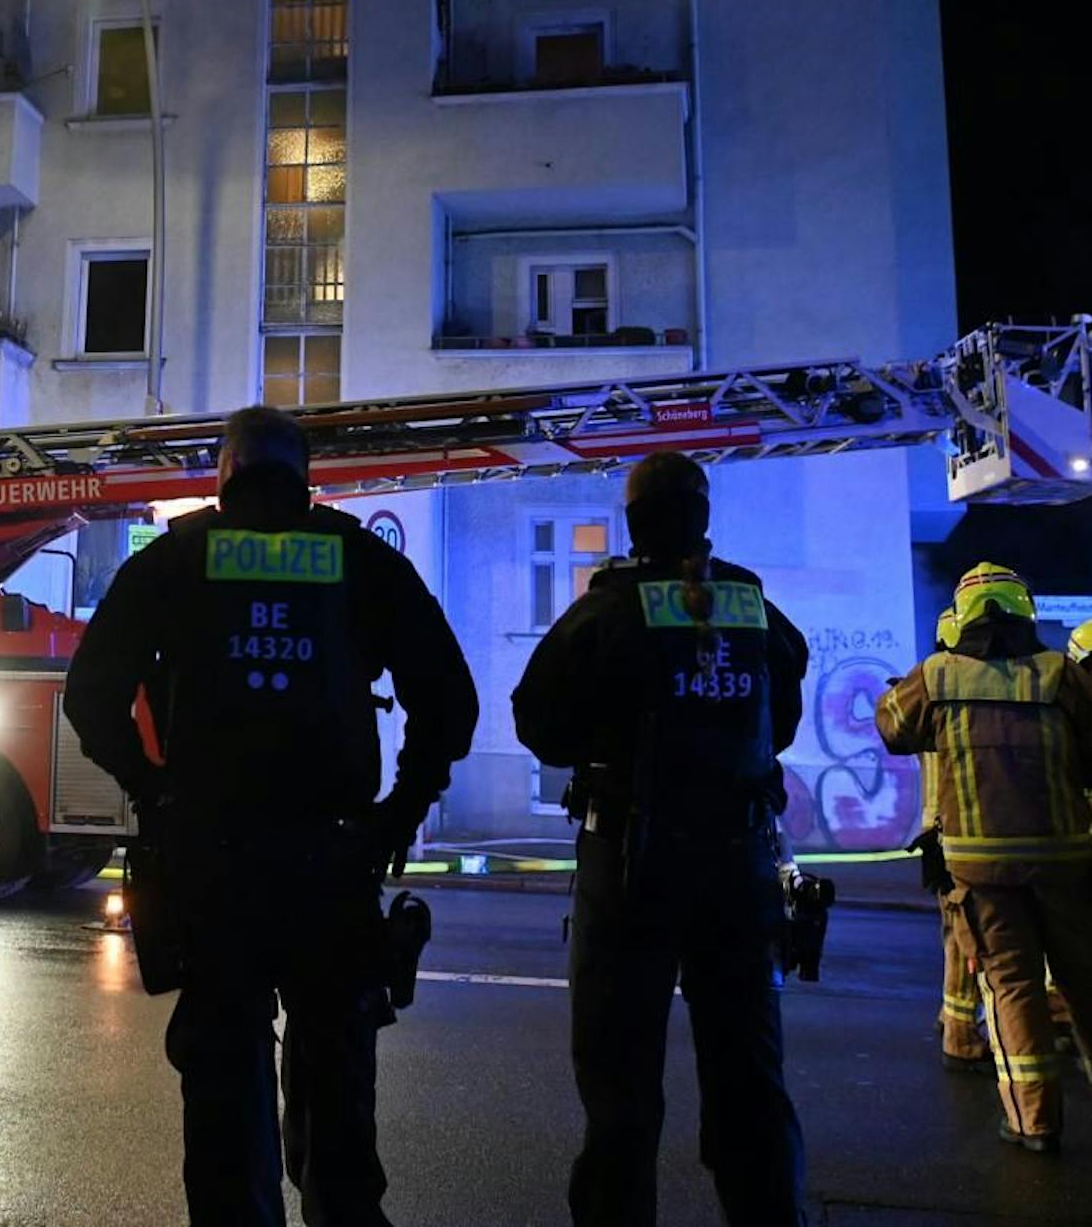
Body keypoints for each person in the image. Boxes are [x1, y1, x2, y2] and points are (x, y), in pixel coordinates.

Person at [64, 403, 479, 1227]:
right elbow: (449, 702)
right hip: (333, 863)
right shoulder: (358, 558)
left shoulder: (178, 560)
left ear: (223, 476)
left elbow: (89, 696)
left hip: (212, 867)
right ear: (305, 476)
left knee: (224, 1097)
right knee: (336, 1097)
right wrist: (396, 815)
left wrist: (152, 791)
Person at [512, 450, 809, 1227]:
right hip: (740, 868)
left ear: (634, 519)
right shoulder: (747, 602)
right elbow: (785, 701)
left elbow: (536, 718)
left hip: (633, 869)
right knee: (751, 1082)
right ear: (703, 516)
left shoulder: (611, 607)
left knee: (620, 1092)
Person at [877, 562, 1092, 1152]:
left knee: (1011, 986)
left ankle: (1034, 1123)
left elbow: (892, 728)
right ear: (1025, 610)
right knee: (1085, 979)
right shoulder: (1060, 673)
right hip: (1066, 857)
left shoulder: (939, 676)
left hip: (981, 866)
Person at [912, 608, 992, 1070]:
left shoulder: (932, 692)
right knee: (968, 940)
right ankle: (961, 1033)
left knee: (955, 936)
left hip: (937, 835)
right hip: (957, 835)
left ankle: (955, 1019)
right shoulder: (960, 694)